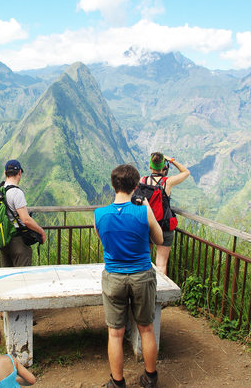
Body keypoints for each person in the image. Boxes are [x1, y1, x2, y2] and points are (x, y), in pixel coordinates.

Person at [94, 164, 164, 388]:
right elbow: (160, 239)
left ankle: (117, 382)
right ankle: (150, 378)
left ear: (113, 185)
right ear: (136, 187)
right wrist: (147, 208)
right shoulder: (143, 211)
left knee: (115, 333)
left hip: (114, 276)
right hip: (142, 276)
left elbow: (104, 242)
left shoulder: (99, 215)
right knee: (146, 328)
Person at [141, 152, 190, 275]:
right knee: (161, 264)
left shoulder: (143, 180)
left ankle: (145, 287)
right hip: (164, 225)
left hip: (147, 224)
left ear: (150, 166)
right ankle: (162, 291)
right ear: (164, 167)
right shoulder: (167, 182)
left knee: (145, 260)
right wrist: (172, 160)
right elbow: (186, 172)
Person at [0, 159, 46, 267]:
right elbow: (26, 220)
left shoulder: (0, 191)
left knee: (8, 278)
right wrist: (41, 232)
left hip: (4, 241)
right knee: (23, 277)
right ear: (19, 172)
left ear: (5, 173)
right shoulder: (16, 192)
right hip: (18, 242)